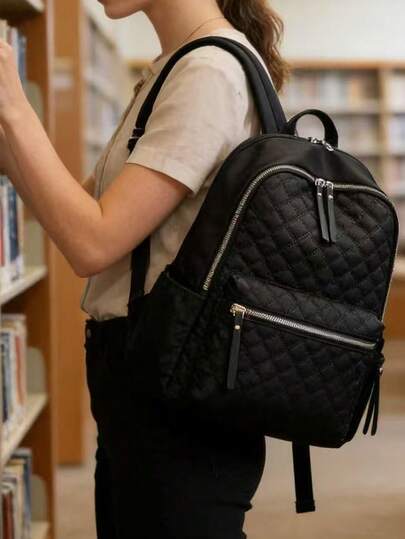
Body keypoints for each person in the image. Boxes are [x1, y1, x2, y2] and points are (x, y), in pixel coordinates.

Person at [0, 0, 289, 537]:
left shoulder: (208, 72)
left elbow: (92, 242)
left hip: (173, 395)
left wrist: (15, 107)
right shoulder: (178, 65)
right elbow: (78, 210)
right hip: (150, 381)